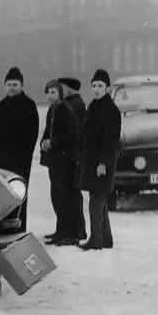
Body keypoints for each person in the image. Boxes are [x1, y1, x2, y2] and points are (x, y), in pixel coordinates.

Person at [0, 67, 40, 232]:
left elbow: (32, 134)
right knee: (2, 195)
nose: (12, 87)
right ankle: (2, 229)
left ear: (22, 85)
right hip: (1, 161)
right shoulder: (1, 106)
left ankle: (20, 227)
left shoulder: (29, 105)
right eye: (9, 84)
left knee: (19, 194)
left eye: (15, 84)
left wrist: (24, 155)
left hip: (20, 161)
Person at [78, 69, 121, 250]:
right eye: (94, 86)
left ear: (108, 88)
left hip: (102, 164)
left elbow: (110, 140)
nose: (96, 89)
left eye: (100, 86)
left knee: (96, 202)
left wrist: (103, 163)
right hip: (91, 161)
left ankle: (96, 239)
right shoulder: (92, 107)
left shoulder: (111, 110)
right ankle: (106, 238)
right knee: (99, 200)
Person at [39, 79, 80, 246]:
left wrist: (53, 143)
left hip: (65, 160)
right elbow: (48, 131)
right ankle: (60, 231)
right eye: (48, 92)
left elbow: (72, 135)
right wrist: (43, 143)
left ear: (60, 94)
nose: (50, 96)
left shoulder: (66, 111)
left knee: (65, 196)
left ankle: (70, 233)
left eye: (53, 92)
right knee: (56, 196)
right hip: (54, 160)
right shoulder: (52, 110)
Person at [57, 77, 87, 240]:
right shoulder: (74, 104)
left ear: (68, 89)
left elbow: (74, 132)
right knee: (69, 194)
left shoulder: (74, 105)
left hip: (72, 156)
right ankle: (71, 231)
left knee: (71, 195)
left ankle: (75, 232)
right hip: (71, 156)